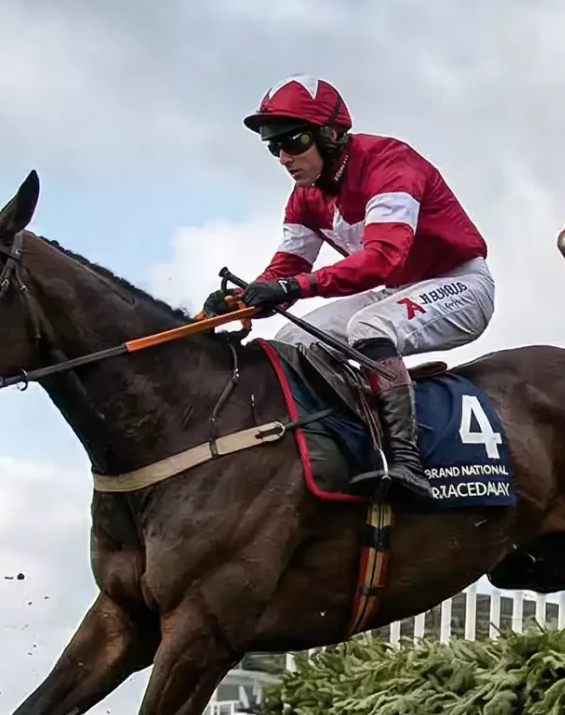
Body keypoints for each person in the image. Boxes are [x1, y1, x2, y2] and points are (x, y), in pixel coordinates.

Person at [204, 76, 495, 502]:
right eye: (273, 147)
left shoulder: (390, 162)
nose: (284, 157)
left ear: (332, 134)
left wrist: (292, 287)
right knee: (292, 340)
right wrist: (240, 305)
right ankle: (339, 441)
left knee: (369, 326)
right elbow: (288, 268)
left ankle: (406, 461)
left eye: (294, 141)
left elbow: (382, 258)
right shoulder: (304, 196)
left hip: (460, 284)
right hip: (398, 290)